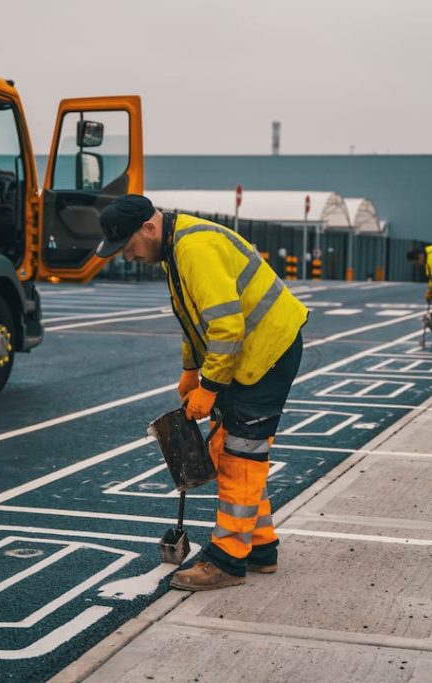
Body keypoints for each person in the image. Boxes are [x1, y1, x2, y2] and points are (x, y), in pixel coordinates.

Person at [96, 195, 308, 591]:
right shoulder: (174, 250)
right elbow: (194, 319)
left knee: (241, 453)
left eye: (127, 247)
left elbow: (227, 328)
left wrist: (209, 388)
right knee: (235, 448)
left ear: (149, 228)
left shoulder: (194, 248)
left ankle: (228, 560)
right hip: (248, 351)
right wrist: (190, 371)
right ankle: (260, 548)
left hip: (267, 351)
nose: (127, 257)